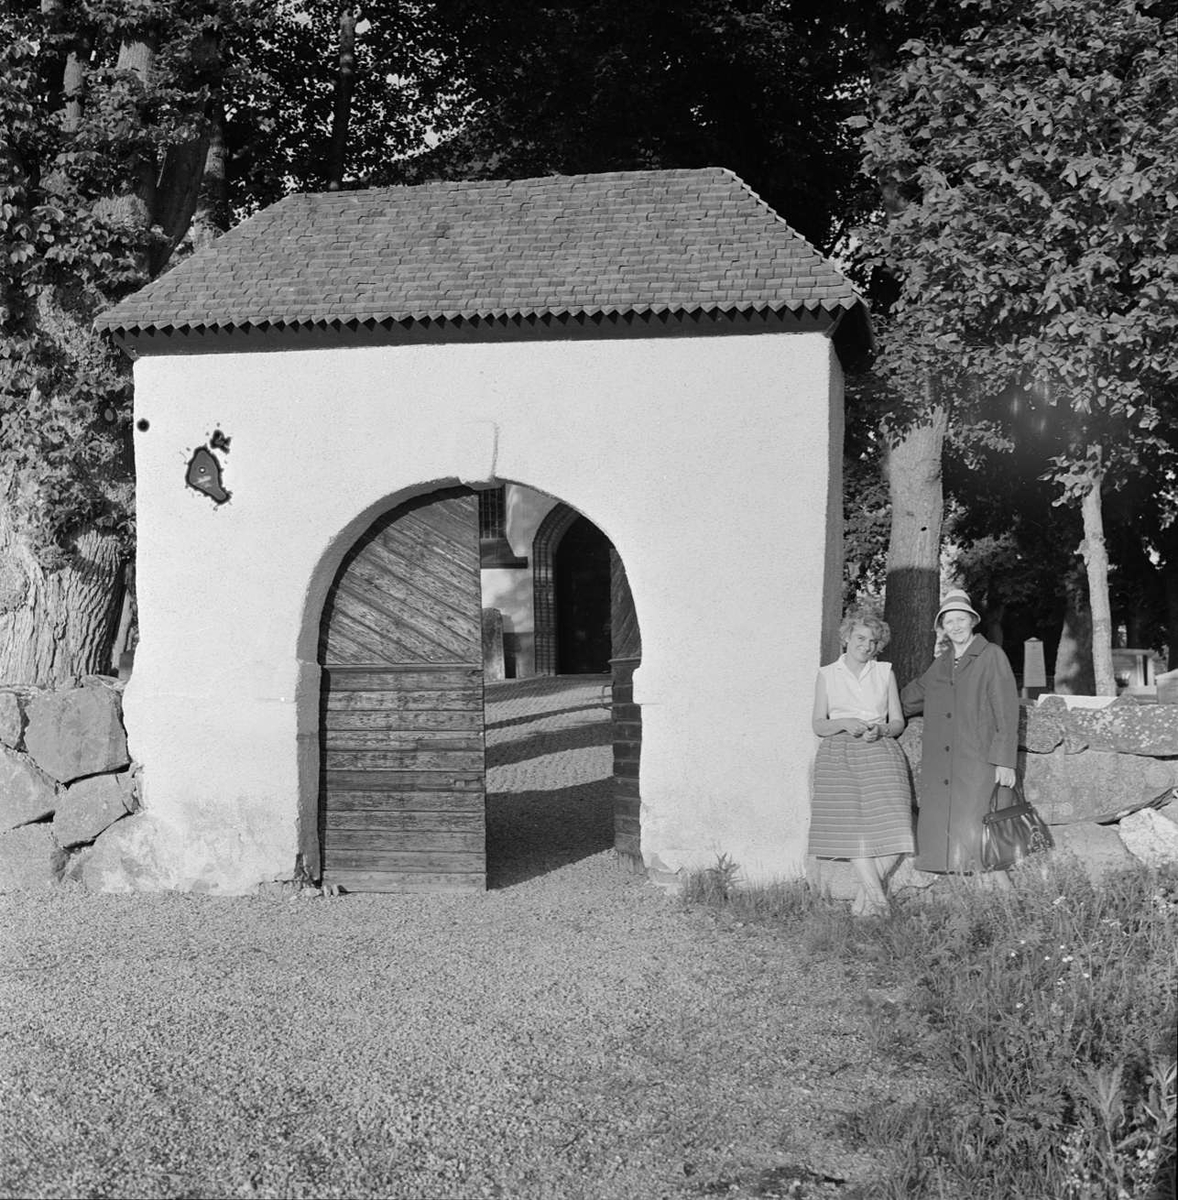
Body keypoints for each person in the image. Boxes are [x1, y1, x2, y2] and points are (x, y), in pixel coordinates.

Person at [900, 589, 1019, 878]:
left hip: (979, 756)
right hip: (944, 761)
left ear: (972, 621)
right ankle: (965, 893)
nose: (955, 626)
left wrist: (1005, 760)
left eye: (961, 619)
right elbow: (911, 697)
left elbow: (1007, 710)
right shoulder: (942, 662)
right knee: (951, 827)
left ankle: (1001, 895)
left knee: (982, 824)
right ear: (942, 627)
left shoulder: (992, 655)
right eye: (949, 621)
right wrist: (877, 702)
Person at [809, 609, 914, 917]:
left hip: (880, 750)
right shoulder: (827, 674)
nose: (866, 645)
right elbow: (818, 724)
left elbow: (897, 721)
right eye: (860, 638)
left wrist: (881, 729)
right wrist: (844, 722)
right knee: (853, 833)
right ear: (846, 638)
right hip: (839, 753)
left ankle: (862, 905)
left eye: (872, 641)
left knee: (898, 832)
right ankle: (878, 906)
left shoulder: (885, 673)